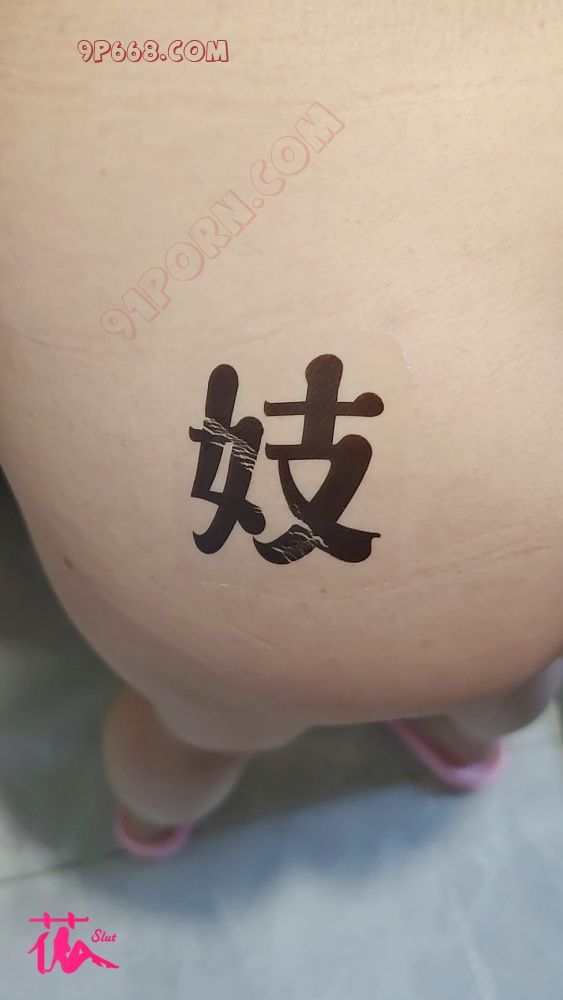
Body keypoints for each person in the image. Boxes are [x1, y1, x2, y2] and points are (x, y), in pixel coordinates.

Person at [2, 1, 562, 858]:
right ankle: (458, 735)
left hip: (196, 624)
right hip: (524, 597)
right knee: (506, 694)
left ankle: (153, 819)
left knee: (187, 742)